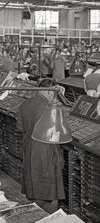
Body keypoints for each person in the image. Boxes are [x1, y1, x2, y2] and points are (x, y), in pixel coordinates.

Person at [16, 78, 65, 213]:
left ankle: (35, 214)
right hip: (47, 151)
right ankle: (47, 220)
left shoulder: (25, 105)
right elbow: (60, 133)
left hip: (30, 149)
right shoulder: (50, 108)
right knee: (50, 191)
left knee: (35, 184)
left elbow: (20, 127)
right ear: (50, 91)